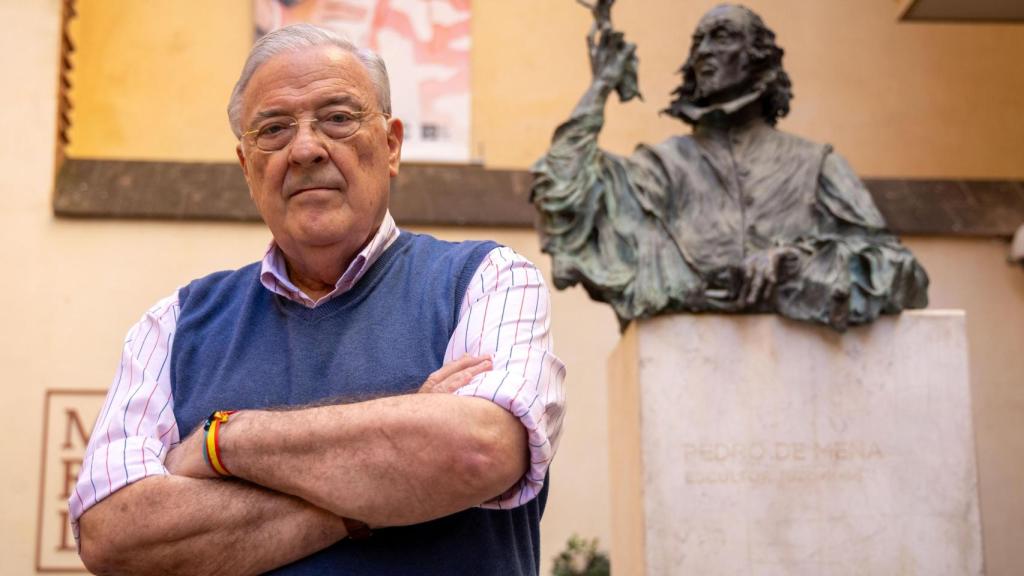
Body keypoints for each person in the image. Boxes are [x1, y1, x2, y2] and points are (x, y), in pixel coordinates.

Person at [70, 24, 565, 575]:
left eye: (338, 118)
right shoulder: (173, 326)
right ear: (247, 168)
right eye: (275, 129)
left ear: (391, 144)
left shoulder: (487, 281)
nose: (305, 149)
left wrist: (221, 443)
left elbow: (477, 452)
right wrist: (387, 481)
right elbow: (113, 535)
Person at [532, 3, 929, 331]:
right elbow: (560, 192)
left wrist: (796, 263)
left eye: (721, 36)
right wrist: (601, 85)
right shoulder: (659, 168)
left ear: (759, 57)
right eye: (698, 41)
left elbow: (900, 272)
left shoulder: (813, 165)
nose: (703, 51)